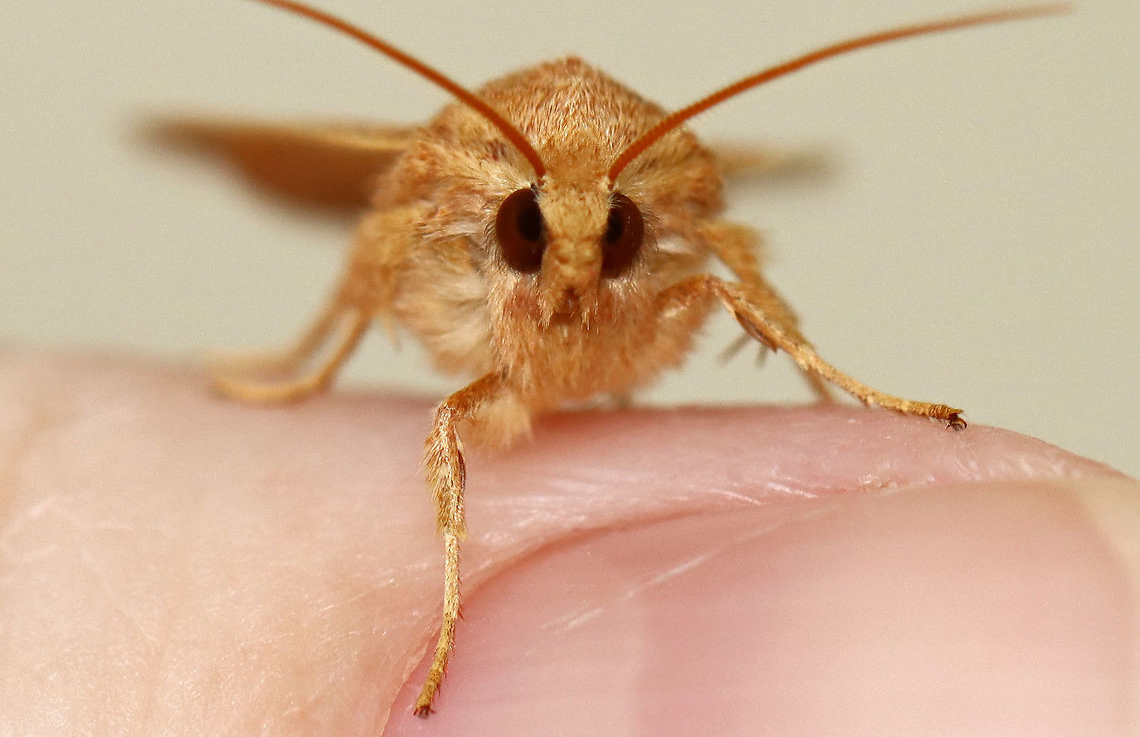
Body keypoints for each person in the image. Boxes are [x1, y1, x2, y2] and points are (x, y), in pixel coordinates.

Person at [0, 351, 1135, 735]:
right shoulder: (460, 214)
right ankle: (446, 595)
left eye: (617, 237)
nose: (580, 271)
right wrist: (310, 367)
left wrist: (848, 394)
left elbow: (723, 261)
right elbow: (397, 232)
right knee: (453, 421)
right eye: (543, 238)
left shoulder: (661, 252)